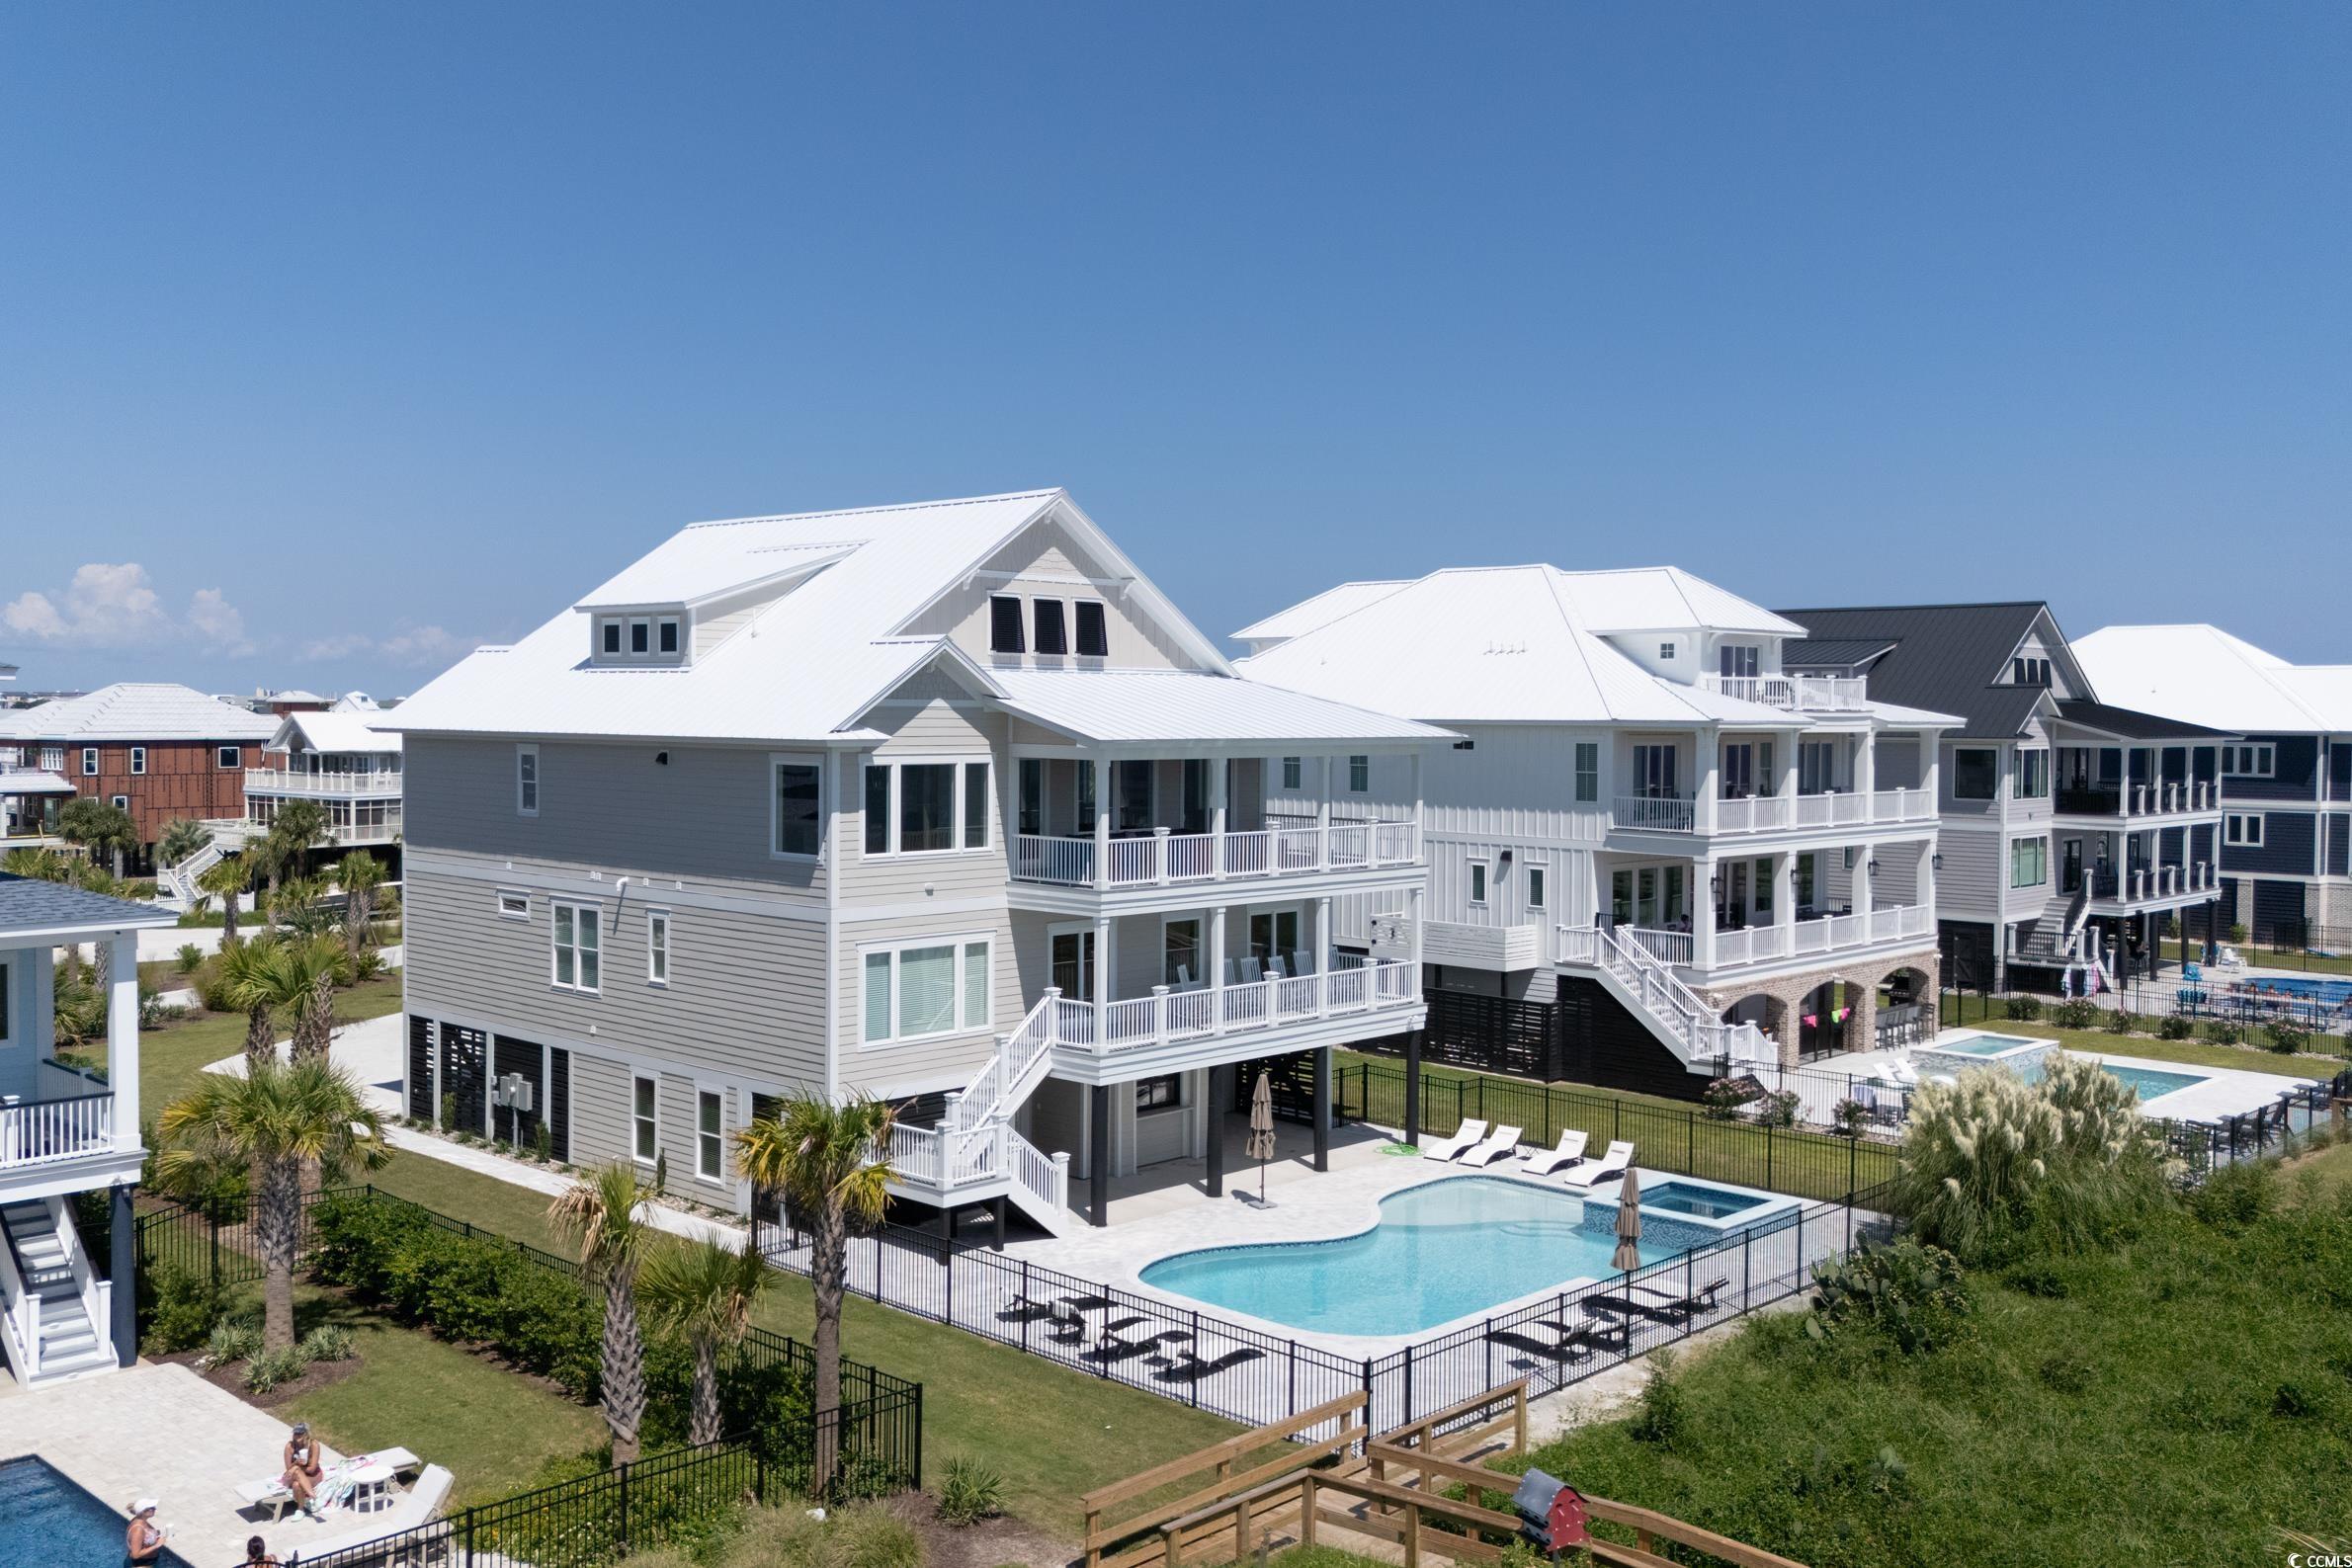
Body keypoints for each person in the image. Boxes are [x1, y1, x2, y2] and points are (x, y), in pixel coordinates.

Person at [282, 1424, 325, 1518]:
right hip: (293, 1475)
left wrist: (297, 1468)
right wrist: (296, 1463)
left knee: (297, 1484)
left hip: (312, 1475)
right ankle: (314, 1497)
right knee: (296, 1470)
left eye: (300, 1433)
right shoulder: (289, 1446)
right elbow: (288, 1469)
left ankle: (300, 1510)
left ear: (306, 1434)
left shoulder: (314, 1445)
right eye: (295, 1433)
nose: (297, 1435)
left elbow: (312, 1469)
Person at [126, 1499, 168, 1565]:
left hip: (149, 1561)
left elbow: (144, 1538)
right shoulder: (138, 1529)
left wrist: (156, 1535)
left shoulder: (141, 1521)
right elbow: (135, 1555)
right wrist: (157, 1545)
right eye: (152, 1508)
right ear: (143, 1511)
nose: (155, 1509)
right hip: (141, 1564)